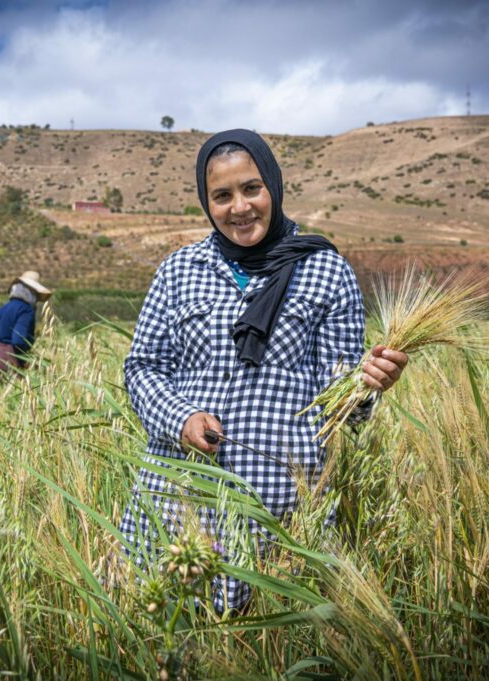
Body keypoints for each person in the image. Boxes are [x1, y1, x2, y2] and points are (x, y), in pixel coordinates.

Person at [118, 129, 409, 612]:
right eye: (222, 196)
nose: (240, 207)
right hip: (178, 502)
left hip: (281, 513)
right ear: (205, 201)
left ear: (273, 185)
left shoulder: (326, 271)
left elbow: (342, 404)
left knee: (272, 648)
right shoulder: (178, 270)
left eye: (252, 188)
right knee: (166, 636)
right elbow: (143, 368)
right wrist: (182, 419)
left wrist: (368, 384)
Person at [0, 270, 51, 380]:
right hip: (3, 360)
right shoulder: (25, 310)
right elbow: (19, 340)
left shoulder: (1, 310)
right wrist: (28, 361)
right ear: (32, 293)